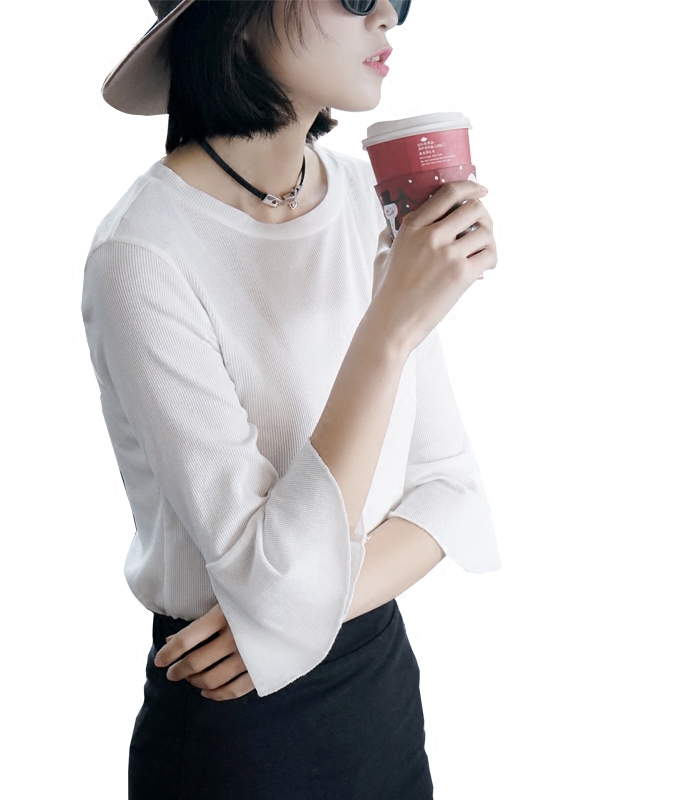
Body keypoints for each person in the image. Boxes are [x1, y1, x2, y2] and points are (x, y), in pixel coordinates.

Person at [80, 0, 502, 797]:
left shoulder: (365, 195)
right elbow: (274, 583)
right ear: (239, 14)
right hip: (235, 726)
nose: (387, 16)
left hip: (377, 694)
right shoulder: (142, 254)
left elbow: (451, 492)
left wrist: (282, 618)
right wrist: (389, 327)